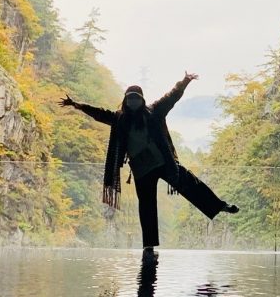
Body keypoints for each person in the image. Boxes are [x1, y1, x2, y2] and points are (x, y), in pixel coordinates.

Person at [59, 71, 238, 249]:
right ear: (125, 101)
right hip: (142, 169)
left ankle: (219, 206)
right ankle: (149, 246)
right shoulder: (120, 119)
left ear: (142, 100)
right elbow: (98, 113)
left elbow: (171, 97)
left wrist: (185, 81)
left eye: (136, 98)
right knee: (146, 206)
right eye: (130, 99)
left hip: (164, 163)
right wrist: (77, 105)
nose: (133, 102)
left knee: (190, 183)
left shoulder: (154, 112)